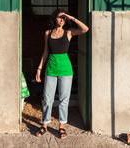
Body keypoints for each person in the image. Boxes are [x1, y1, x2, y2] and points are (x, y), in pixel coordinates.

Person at [35, 9, 89, 139]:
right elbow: (45, 52)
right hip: (51, 70)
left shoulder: (69, 33)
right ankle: (45, 124)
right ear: (55, 19)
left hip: (66, 70)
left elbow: (85, 29)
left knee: (64, 100)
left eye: (64, 18)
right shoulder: (48, 33)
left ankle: (61, 126)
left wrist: (72, 17)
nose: (62, 20)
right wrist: (39, 69)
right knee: (47, 99)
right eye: (60, 17)